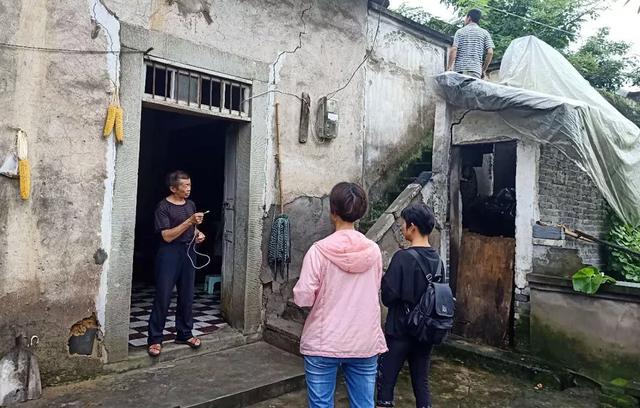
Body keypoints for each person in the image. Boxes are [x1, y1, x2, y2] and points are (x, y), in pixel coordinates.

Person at [293, 182, 388, 408]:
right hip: (364, 341)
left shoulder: (318, 251)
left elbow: (304, 297)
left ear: (333, 211)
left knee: (321, 404)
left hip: (324, 341)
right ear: (360, 212)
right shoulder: (374, 251)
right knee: (364, 404)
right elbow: (374, 288)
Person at [376, 203, 443, 408]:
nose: (401, 227)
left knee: (386, 382)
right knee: (421, 382)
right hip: (426, 332)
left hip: (400, 331)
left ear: (412, 227)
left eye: (403, 223)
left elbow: (388, 297)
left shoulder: (402, 258)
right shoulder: (438, 261)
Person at [147, 170, 206, 357]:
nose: (189, 189)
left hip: (188, 252)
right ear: (173, 188)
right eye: (185, 185)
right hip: (169, 253)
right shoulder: (163, 207)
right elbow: (166, 236)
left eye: (190, 185)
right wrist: (189, 222)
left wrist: (198, 234)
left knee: (187, 295)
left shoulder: (190, 204)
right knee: (163, 296)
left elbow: (192, 229)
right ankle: (155, 338)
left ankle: (184, 333)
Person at [447, 8, 495, 79]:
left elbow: (454, 49)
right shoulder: (485, 33)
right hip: (475, 71)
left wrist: (449, 67)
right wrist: (483, 70)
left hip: (460, 70)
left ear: (469, 18)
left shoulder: (460, 32)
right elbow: (490, 53)